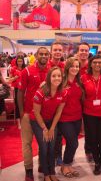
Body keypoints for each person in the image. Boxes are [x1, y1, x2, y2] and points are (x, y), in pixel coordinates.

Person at [18, 47, 50, 181]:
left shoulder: (51, 71)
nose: (43, 56)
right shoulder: (27, 71)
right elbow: (20, 92)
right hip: (27, 113)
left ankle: (42, 164)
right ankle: (29, 170)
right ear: (36, 55)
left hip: (44, 115)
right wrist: (21, 113)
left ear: (48, 56)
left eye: (46, 54)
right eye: (41, 54)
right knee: (27, 143)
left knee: (43, 142)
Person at [30, 66, 65, 181]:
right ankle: (46, 174)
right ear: (49, 78)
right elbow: (36, 112)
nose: (57, 78)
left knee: (52, 147)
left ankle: (52, 172)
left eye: (59, 76)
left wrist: (52, 128)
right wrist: (45, 129)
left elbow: (59, 112)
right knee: (44, 147)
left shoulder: (62, 92)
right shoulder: (41, 92)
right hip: (38, 121)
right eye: (54, 76)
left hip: (51, 121)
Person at [81, 55, 101, 175]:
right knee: (93, 139)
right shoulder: (84, 77)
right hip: (89, 113)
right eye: (95, 62)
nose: (97, 65)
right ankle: (97, 163)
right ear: (90, 64)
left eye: (100, 62)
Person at [59, 57, 84, 178]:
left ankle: (68, 164)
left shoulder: (79, 83)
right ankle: (65, 165)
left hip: (77, 118)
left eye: (77, 66)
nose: (75, 68)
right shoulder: (61, 82)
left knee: (71, 143)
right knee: (73, 143)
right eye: (73, 66)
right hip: (64, 119)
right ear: (67, 67)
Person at [9, 55, 26, 129]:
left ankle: (24, 121)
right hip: (16, 89)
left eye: (21, 61)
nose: (20, 63)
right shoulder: (13, 69)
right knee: (17, 105)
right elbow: (9, 80)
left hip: (24, 89)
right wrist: (15, 77)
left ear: (23, 61)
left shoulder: (25, 69)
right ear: (16, 62)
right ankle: (19, 123)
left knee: (24, 105)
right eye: (18, 61)